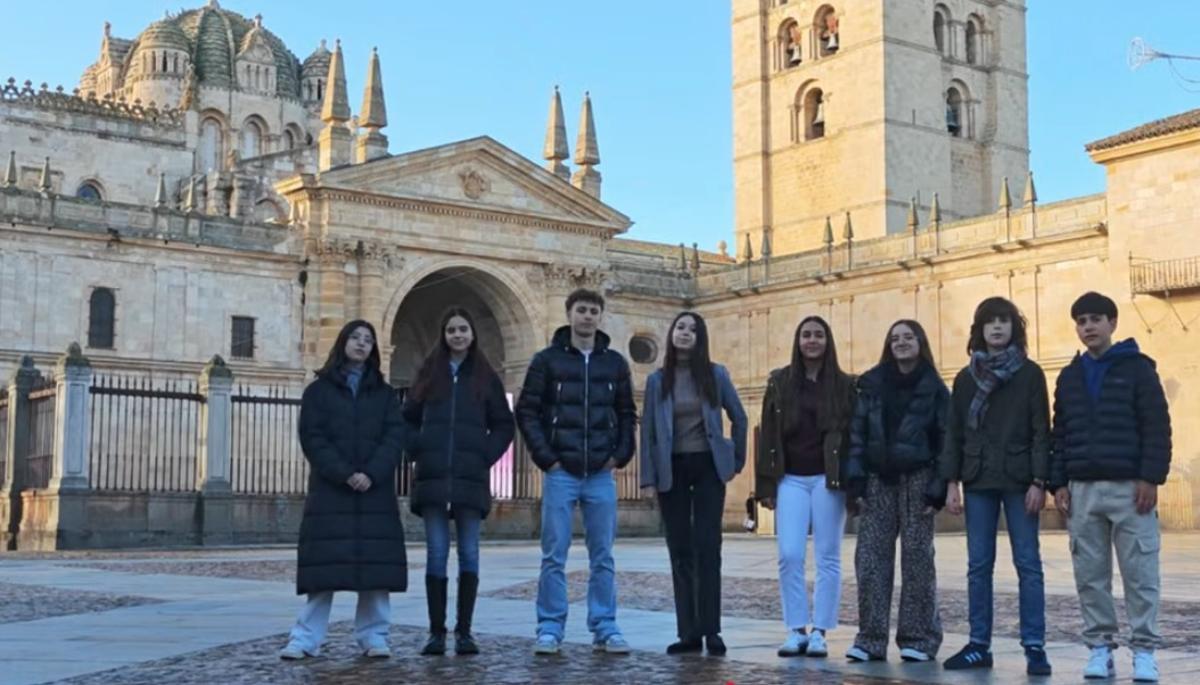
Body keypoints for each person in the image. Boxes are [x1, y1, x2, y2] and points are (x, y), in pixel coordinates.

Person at [1050, 292, 1171, 683]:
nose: (1088, 327)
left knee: (1140, 573)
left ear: (1113, 323)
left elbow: (1156, 426)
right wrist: (1058, 482)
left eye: (1096, 319)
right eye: (1082, 320)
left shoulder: (1138, 369)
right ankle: (1100, 647)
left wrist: (1151, 476)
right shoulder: (1069, 376)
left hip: (1129, 489)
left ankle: (1144, 651)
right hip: (1083, 490)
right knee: (1090, 575)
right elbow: (1060, 434)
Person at [516, 288, 638, 655]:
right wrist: (547, 459)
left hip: (601, 472)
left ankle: (605, 625)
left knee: (603, 554)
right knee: (554, 553)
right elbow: (527, 410)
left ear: (600, 317)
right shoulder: (546, 360)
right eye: (581, 310)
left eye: (593, 311)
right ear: (569, 314)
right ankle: (550, 627)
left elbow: (627, 412)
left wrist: (620, 456)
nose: (587, 316)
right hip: (561, 472)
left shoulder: (615, 363)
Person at [280, 320, 407, 660]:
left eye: (368, 340)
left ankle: (374, 636)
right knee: (323, 572)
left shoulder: (384, 394)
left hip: (374, 490)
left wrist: (372, 472)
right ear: (343, 342)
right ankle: (305, 638)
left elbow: (395, 437)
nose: (362, 344)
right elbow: (313, 438)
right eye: (355, 337)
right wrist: (344, 473)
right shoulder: (317, 391)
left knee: (376, 573)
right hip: (331, 491)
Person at [939, 297, 1052, 675]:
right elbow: (953, 433)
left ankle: (1034, 645)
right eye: (990, 322)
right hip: (978, 478)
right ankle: (978, 644)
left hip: (1020, 479)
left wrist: (1040, 480)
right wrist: (951, 481)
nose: (997, 328)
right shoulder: (965, 377)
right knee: (978, 565)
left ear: (1014, 327)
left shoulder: (1030, 374)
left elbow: (1041, 430)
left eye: (1004, 321)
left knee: (1028, 563)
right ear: (979, 330)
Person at [403, 308, 515, 656]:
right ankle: (436, 632)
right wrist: (417, 447)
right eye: (451, 329)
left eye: (463, 329)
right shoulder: (429, 373)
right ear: (444, 335)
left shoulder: (485, 376)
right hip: (433, 477)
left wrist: (484, 454)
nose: (457, 335)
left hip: (470, 477)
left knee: (469, 554)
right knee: (436, 554)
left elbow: (504, 424)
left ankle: (464, 631)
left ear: (472, 334)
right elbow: (405, 419)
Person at [640, 311, 747, 656]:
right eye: (680, 328)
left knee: (708, 547)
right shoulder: (658, 380)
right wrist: (648, 476)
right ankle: (688, 632)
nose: (685, 333)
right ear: (671, 334)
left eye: (692, 329)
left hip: (707, 467)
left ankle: (711, 629)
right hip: (672, 467)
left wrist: (735, 460)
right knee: (680, 550)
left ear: (701, 338)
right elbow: (649, 431)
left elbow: (740, 416)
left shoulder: (716, 375)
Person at [844, 319, 948, 664]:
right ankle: (870, 638)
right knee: (871, 559)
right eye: (895, 338)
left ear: (921, 342)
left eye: (908, 337)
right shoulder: (871, 384)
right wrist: (855, 481)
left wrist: (939, 488)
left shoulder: (934, 387)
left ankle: (918, 638)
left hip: (919, 478)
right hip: (878, 479)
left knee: (918, 560)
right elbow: (856, 434)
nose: (901, 343)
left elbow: (945, 439)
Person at [755, 315, 856, 659]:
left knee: (828, 556)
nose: (812, 341)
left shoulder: (844, 385)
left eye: (818, 335)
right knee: (790, 554)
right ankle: (795, 627)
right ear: (797, 341)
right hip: (791, 478)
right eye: (806, 335)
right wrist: (765, 483)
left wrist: (854, 484)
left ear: (828, 341)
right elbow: (768, 432)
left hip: (829, 479)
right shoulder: (780, 382)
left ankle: (821, 631)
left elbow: (853, 436)